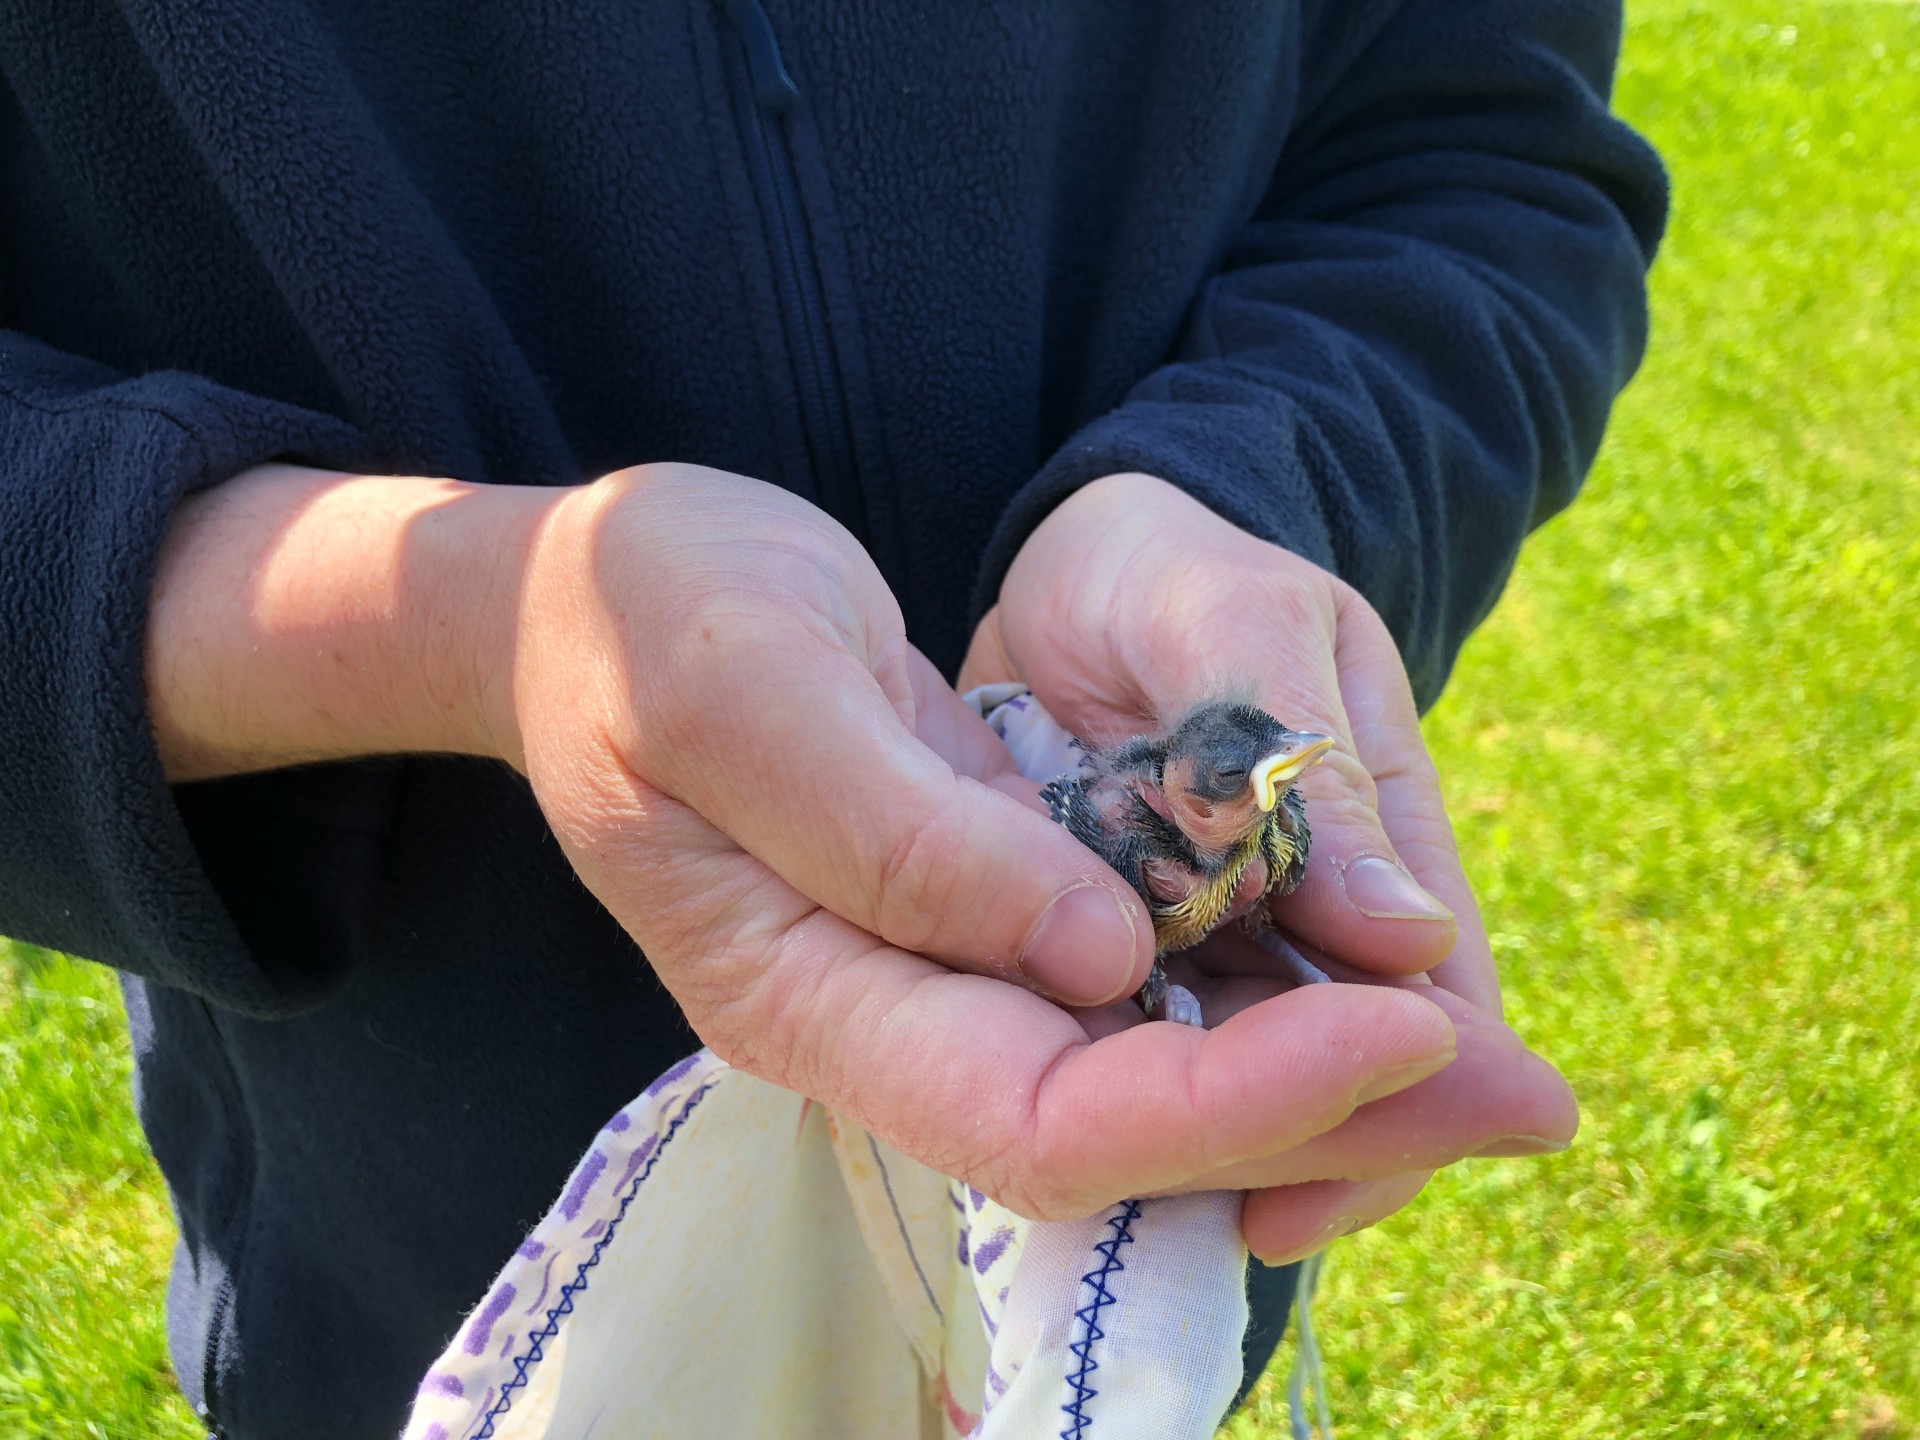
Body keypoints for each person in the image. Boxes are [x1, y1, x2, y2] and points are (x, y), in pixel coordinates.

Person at [0, 0, 1665, 1434]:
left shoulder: (1213, 829)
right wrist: (462, 620)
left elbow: (1483, 153)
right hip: (435, 1286)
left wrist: (1238, 485)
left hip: (1124, 1215)